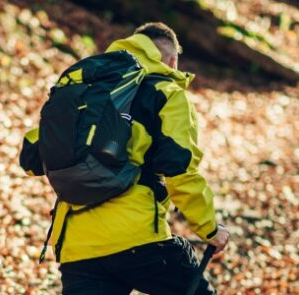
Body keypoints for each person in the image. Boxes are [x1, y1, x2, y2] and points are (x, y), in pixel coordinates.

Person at [19, 22, 229, 294]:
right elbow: (180, 172)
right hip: (139, 240)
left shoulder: (89, 91)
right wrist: (210, 229)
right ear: (172, 61)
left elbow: (32, 157)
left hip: (77, 248)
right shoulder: (167, 93)